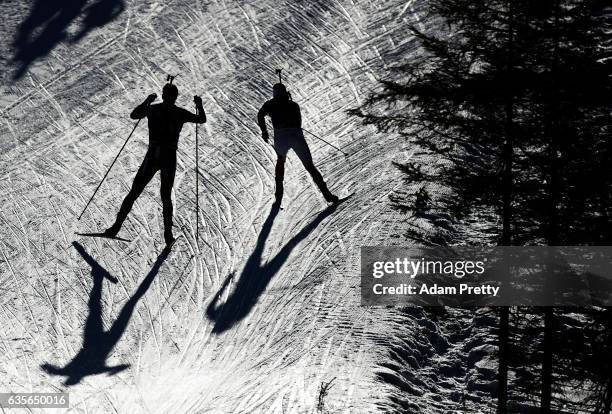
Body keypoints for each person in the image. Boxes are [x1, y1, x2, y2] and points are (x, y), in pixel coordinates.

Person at [104, 83, 206, 245]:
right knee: (166, 196)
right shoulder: (179, 113)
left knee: (135, 191)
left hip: (153, 155)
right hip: (169, 157)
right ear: (175, 97)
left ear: (163, 95)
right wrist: (199, 105)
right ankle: (168, 234)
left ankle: (115, 227)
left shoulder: (153, 110)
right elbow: (201, 119)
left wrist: (147, 101)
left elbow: (134, 115)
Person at [257, 83, 338, 207]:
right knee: (309, 166)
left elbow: (260, 114)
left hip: (281, 138)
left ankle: (278, 197)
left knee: (280, 163)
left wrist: (264, 131)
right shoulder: (293, 105)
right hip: (296, 136)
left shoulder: (270, 104)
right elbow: (298, 123)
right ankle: (327, 194)